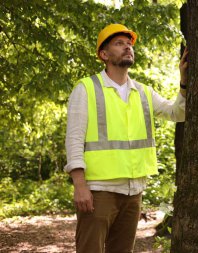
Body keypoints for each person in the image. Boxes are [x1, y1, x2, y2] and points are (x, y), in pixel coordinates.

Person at [64, 23, 188, 253]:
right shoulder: (86, 88)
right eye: (119, 43)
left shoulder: (143, 91)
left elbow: (177, 112)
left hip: (133, 192)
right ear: (104, 54)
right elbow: (74, 139)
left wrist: (184, 82)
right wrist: (80, 185)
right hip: (99, 190)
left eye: (129, 44)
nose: (127, 47)